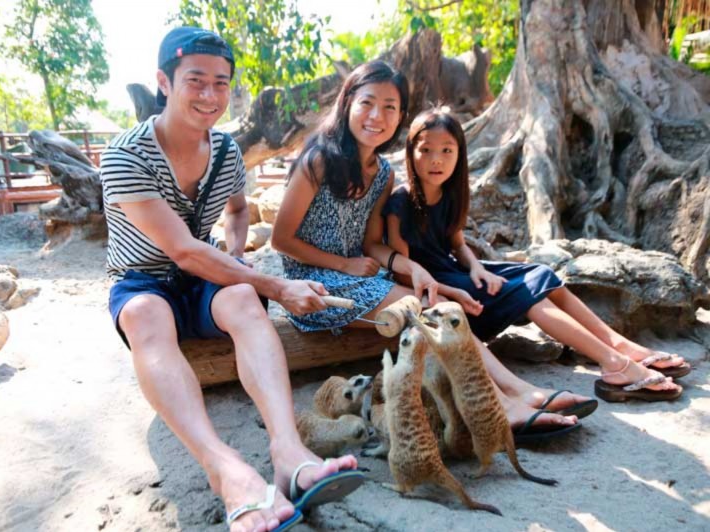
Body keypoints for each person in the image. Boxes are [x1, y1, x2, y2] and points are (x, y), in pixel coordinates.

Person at [101, 27, 363, 532]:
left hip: (204, 277)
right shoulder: (124, 155)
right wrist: (280, 286)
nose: (209, 94)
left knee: (242, 294)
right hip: (144, 279)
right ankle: (225, 470)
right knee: (144, 314)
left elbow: (238, 209)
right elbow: (179, 249)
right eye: (195, 80)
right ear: (164, 81)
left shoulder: (225, 152)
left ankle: (289, 452)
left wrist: (238, 255)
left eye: (221, 83)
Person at [272, 61, 582, 440]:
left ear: (401, 115)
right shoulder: (319, 160)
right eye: (368, 103)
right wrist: (344, 264)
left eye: (390, 107)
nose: (377, 116)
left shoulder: (383, 174)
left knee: (443, 308)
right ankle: (501, 406)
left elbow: (372, 243)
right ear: (348, 102)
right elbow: (281, 241)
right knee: (425, 314)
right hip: (314, 284)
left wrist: (414, 270)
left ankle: (516, 390)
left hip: (363, 273)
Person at [383, 107, 689, 404]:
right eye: (426, 150)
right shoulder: (401, 201)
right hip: (438, 290)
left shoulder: (451, 194)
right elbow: (403, 272)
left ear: (460, 154)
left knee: (541, 275)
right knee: (528, 295)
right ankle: (613, 363)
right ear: (410, 152)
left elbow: (457, 243)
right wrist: (455, 289)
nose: (436, 160)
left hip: (459, 273)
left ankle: (620, 346)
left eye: (447, 150)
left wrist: (478, 269)